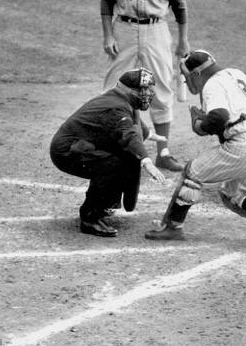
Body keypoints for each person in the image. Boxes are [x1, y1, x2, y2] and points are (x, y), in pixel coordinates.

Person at [144, 50, 246, 247]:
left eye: (188, 77)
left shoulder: (211, 85)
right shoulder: (236, 74)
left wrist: (200, 125)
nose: (188, 82)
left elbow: (219, 117)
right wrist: (208, 121)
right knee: (232, 194)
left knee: (192, 173)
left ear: (197, 74)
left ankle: (172, 228)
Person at [99, 0, 189, 172]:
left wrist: (183, 40)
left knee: (160, 86)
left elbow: (179, 3)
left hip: (156, 29)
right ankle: (116, 147)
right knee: (114, 86)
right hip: (125, 29)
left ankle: (164, 151)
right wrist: (108, 34)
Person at [50, 68, 166, 237]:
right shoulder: (116, 106)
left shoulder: (120, 99)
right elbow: (128, 134)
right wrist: (146, 160)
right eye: (144, 89)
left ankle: (105, 204)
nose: (148, 93)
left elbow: (134, 123)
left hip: (81, 146)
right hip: (66, 151)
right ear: (130, 90)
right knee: (113, 164)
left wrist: (149, 135)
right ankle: (90, 217)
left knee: (122, 158)